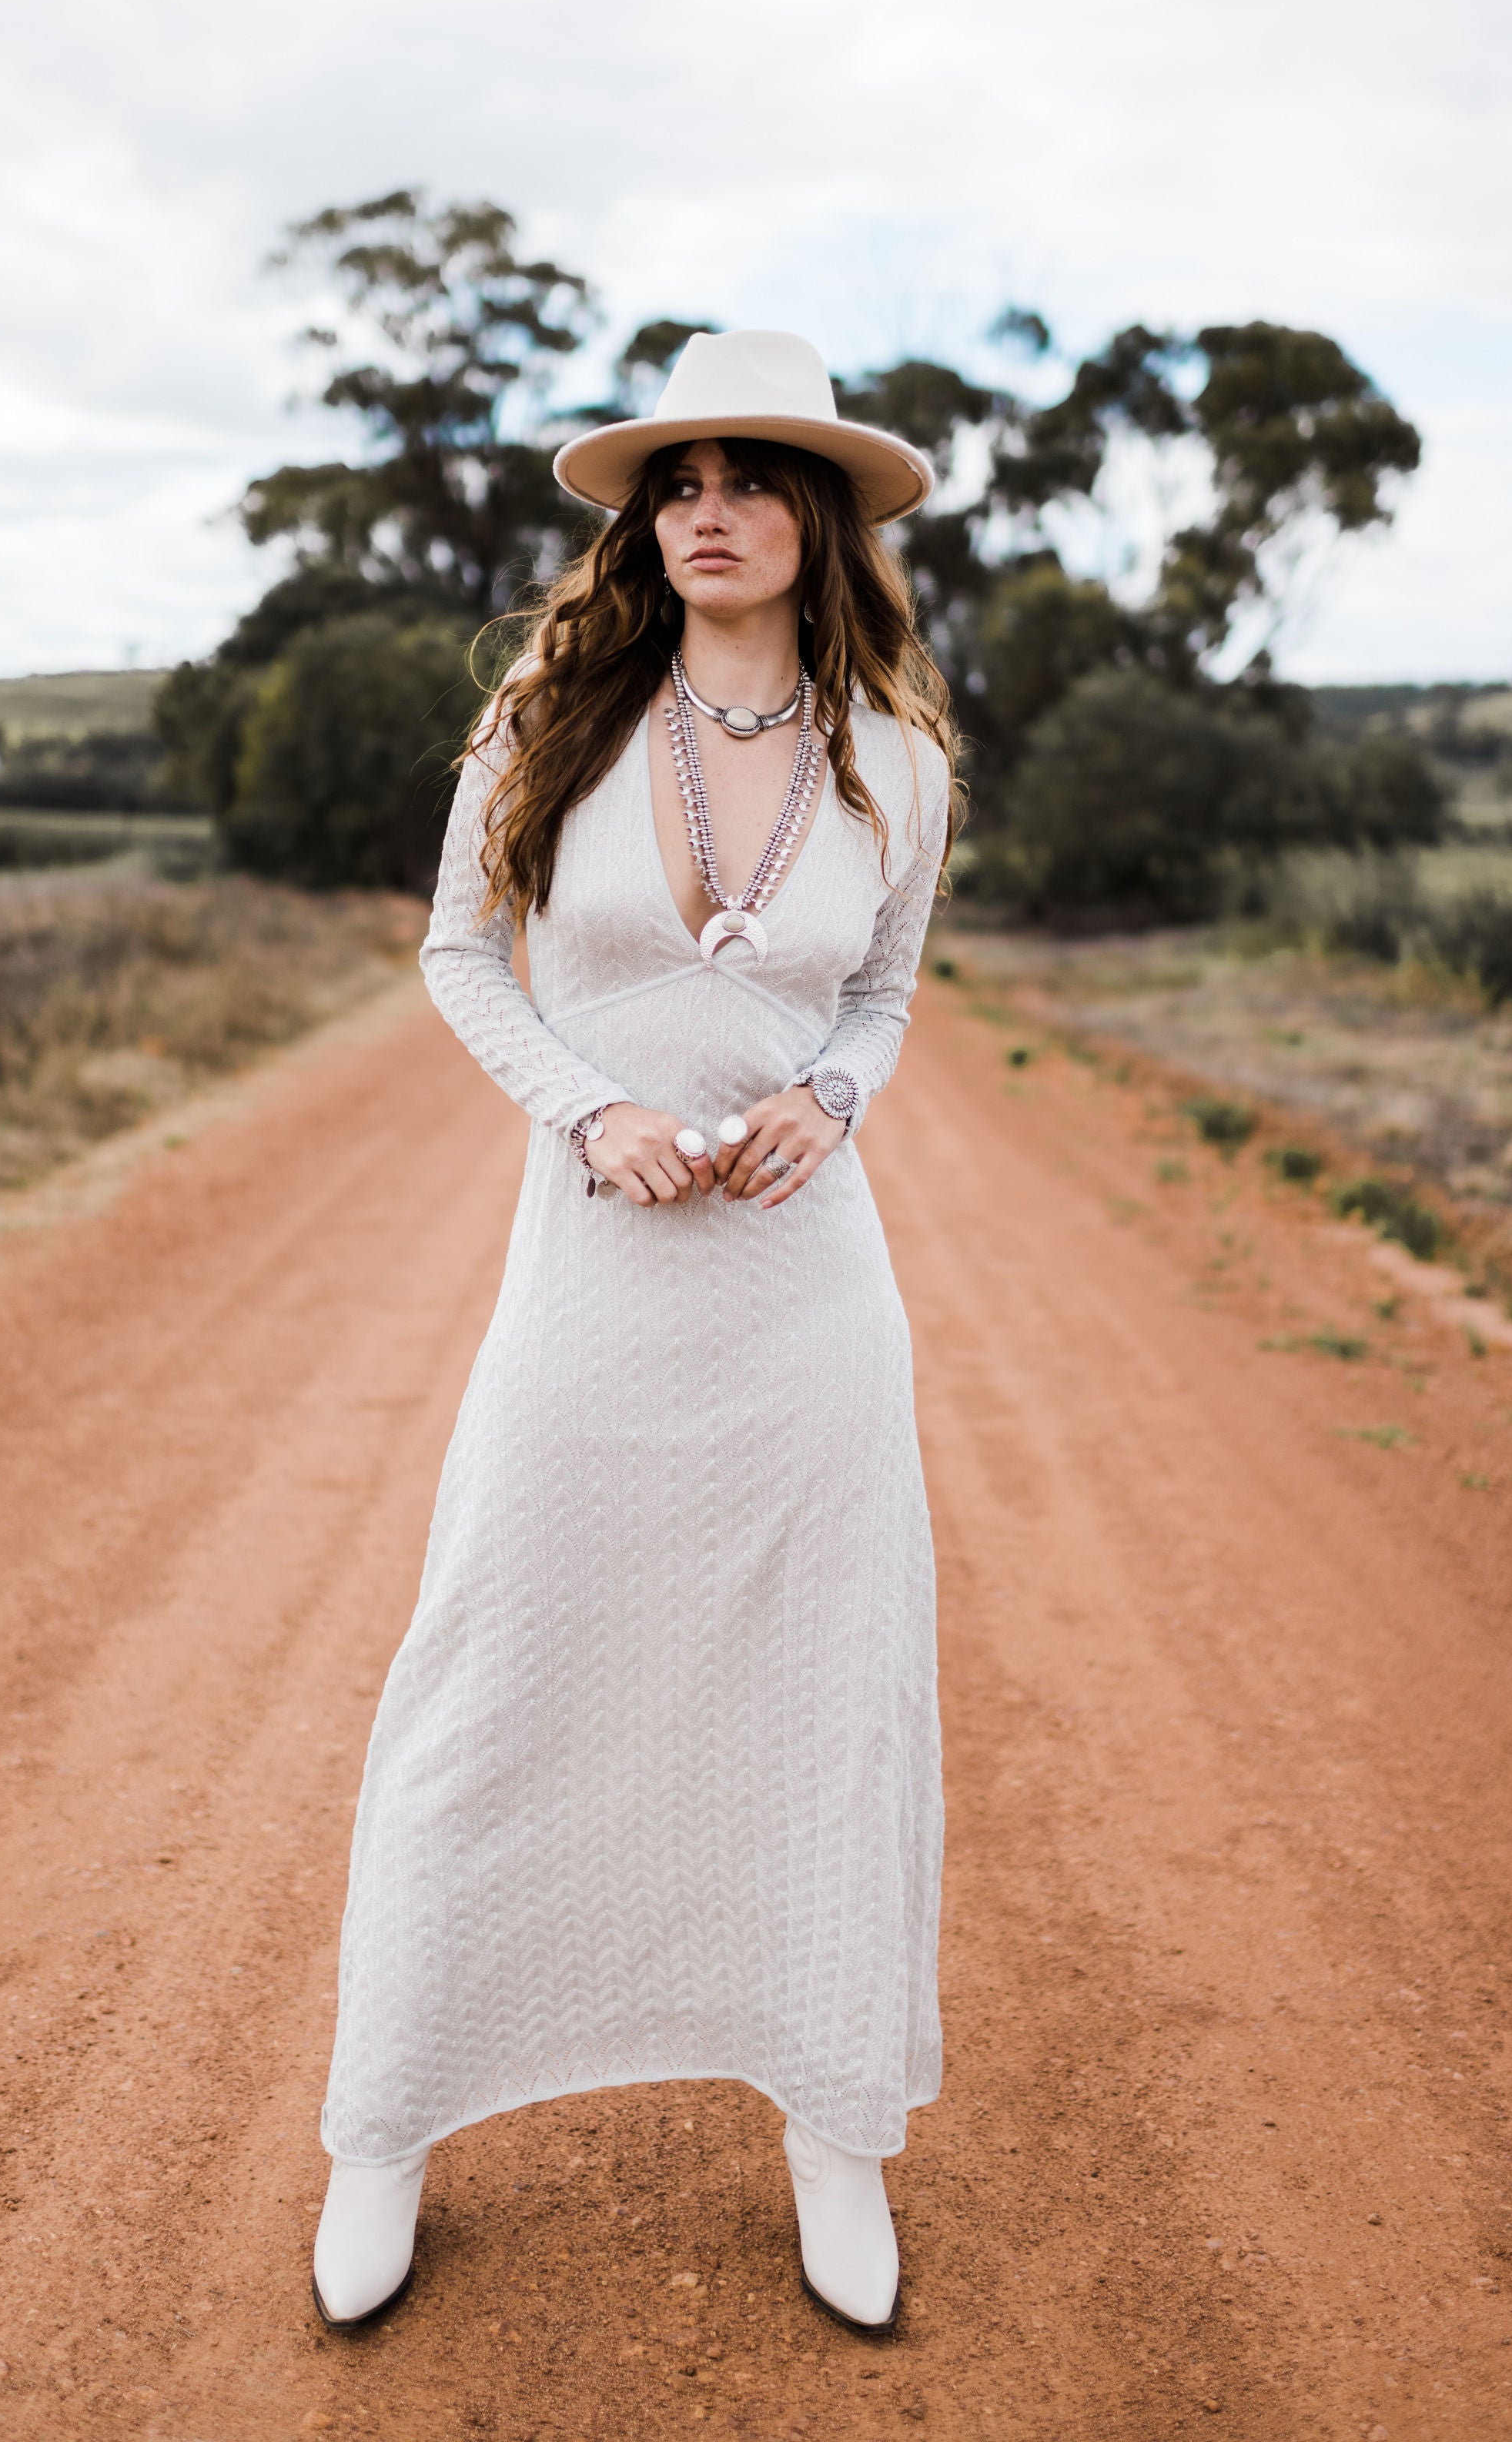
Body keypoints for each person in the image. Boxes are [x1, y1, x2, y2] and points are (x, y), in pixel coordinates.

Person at [313, 329, 957, 2338]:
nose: (707, 510)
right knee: (489, 1673)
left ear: (820, 516)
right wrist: (588, 1106)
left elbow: (878, 1002)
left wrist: (826, 1100)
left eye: (753, 477)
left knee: (819, 1701)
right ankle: (387, 2128)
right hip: (590, 1286)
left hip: (801, 1305)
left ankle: (835, 2129)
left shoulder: (903, 758)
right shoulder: (554, 711)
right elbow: (451, 952)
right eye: (679, 479)